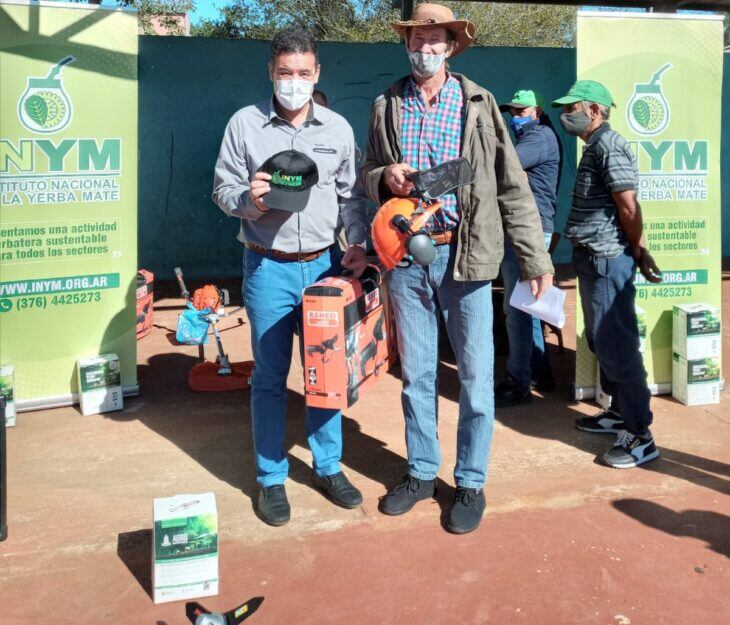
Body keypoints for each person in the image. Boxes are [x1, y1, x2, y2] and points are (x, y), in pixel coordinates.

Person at [361, 3, 554, 534]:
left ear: (450, 45)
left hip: (464, 255)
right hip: (405, 256)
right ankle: (421, 472)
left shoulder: (479, 103)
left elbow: (512, 185)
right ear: (407, 43)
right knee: (417, 374)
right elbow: (366, 172)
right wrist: (386, 177)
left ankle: (469, 480)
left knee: (474, 374)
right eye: (417, 38)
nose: (425, 47)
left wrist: (536, 258)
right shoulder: (386, 104)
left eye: (434, 39)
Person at [212, 27, 368, 525]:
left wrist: (358, 244)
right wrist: (246, 200)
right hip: (267, 267)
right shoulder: (244, 125)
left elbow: (350, 198)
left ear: (317, 74)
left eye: (303, 74)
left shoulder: (339, 130)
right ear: (272, 73)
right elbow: (221, 190)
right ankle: (270, 478)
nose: (294, 83)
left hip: (325, 267)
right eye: (285, 73)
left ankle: (327, 466)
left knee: (325, 377)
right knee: (270, 378)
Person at [552, 80, 662, 468]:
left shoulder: (610, 145)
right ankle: (618, 412)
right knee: (601, 340)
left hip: (607, 258)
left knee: (618, 345)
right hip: (591, 257)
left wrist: (638, 249)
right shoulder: (594, 145)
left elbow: (628, 206)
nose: (566, 116)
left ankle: (640, 434)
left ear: (595, 110)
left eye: (573, 108)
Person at [495, 89, 560, 406]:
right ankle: (539, 371)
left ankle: (518, 381)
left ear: (537, 111)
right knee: (528, 306)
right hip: (531, 229)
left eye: (521, 112)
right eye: (512, 112)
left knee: (516, 309)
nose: (515, 117)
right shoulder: (536, 137)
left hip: (527, 231)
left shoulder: (538, 138)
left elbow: (506, 166)